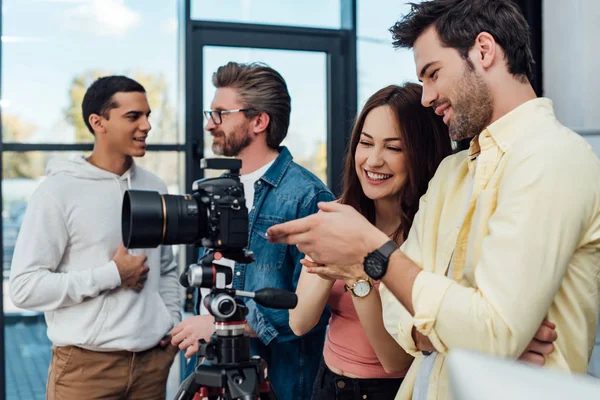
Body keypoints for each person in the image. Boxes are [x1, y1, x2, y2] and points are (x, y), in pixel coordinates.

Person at [266, 1, 599, 399]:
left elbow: (490, 334)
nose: (426, 97)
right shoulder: (452, 174)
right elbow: (400, 323)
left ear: (484, 50)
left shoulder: (551, 157)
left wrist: (375, 254)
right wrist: (467, 337)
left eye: (433, 73)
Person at [290, 83, 558, 400]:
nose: (373, 160)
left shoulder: (433, 233)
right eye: (366, 143)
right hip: (329, 385)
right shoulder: (339, 215)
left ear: (421, 153)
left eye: (393, 148)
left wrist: (358, 278)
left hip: (394, 390)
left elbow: (394, 361)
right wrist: (332, 245)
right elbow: (299, 322)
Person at [170, 61, 335, 400]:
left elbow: (314, 309)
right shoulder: (214, 188)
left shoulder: (308, 196)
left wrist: (226, 325)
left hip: (276, 381)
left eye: (221, 114)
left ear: (259, 121)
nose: (209, 124)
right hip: (211, 366)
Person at [9, 76, 181, 399]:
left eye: (148, 115)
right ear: (98, 122)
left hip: (151, 367)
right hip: (85, 370)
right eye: (133, 117)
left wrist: (168, 321)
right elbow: (24, 287)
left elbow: (167, 267)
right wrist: (112, 275)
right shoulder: (57, 192)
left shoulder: (155, 187)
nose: (147, 126)